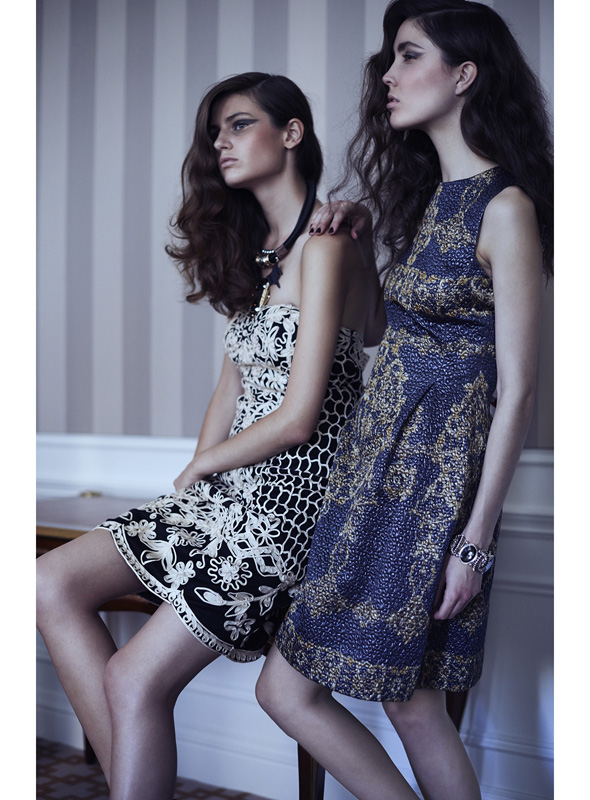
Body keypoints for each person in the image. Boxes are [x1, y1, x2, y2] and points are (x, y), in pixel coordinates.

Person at [36, 72, 382, 800]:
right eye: (215, 131)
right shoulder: (262, 255)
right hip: (229, 497)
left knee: (133, 679)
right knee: (47, 582)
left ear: (291, 133)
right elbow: (231, 388)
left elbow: (301, 414)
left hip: (289, 511)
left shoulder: (326, 245)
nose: (221, 142)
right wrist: (198, 472)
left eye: (240, 124)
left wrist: (203, 468)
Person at [256, 2, 553, 799]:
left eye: (409, 56)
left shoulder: (506, 208)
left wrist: (474, 543)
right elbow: (385, 335)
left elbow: (519, 389)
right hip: (370, 469)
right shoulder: (430, 201)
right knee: (321, 692)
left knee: (406, 700)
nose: (387, 75)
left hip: (431, 491)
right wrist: (355, 246)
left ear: (464, 75)